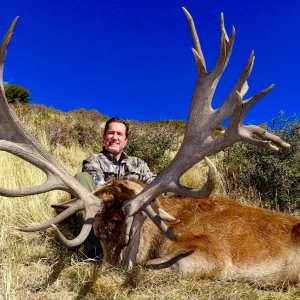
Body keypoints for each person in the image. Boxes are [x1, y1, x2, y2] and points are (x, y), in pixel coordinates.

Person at [75, 117, 155, 258]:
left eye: (119, 134)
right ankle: (94, 247)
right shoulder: (93, 162)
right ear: (104, 137)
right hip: (105, 214)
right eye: (111, 133)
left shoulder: (138, 164)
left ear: (126, 140)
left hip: (131, 215)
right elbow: (102, 193)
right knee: (81, 178)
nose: (114, 137)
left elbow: (153, 185)